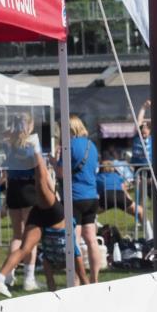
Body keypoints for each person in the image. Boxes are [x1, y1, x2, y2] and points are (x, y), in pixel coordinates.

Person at [0, 145, 88, 296]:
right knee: (41, 182)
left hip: (35, 208)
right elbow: (44, 178)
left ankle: (0, 277)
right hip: (47, 209)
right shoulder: (71, 254)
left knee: (24, 247)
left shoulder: (50, 260)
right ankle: (11, 278)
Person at [2, 113, 41, 291]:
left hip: (13, 190)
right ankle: (29, 278)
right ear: (29, 125)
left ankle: (9, 274)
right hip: (28, 189)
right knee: (30, 237)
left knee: (17, 235)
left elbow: (7, 135)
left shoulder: (8, 144)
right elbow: (39, 165)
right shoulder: (31, 144)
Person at [61, 116, 101, 283]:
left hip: (74, 197)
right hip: (91, 196)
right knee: (91, 239)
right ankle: (94, 278)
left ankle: (76, 279)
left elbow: (61, 172)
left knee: (74, 240)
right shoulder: (92, 145)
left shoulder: (68, 146)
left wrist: (53, 161)